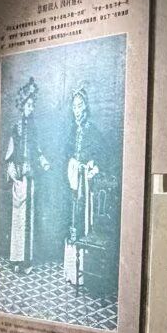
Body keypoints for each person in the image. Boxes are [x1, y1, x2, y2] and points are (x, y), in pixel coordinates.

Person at [4, 78, 49, 273]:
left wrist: (43, 161)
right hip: (18, 176)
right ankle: (15, 259)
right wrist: (10, 167)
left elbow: (38, 150)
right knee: (17, 217)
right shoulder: (15, 127)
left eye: (32, 105)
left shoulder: (35, 128)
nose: (31, 108)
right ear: (22, 106)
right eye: (28, 105)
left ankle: (27, 261)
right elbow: (9, 152)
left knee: (28, 218)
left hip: (30, 176)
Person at [63, 84, 103, 286]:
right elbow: (67, 153)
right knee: (73, 220)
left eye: (80, 106)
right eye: (74, 106)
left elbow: (100, 156)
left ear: (85, 107)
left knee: (84, 220)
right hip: (74, 182)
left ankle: (85, 275)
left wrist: (92, 166)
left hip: (86, 186)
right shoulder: (73, 130)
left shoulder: (92, 130)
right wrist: (72, 164)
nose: (77, 110)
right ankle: (72, 273)